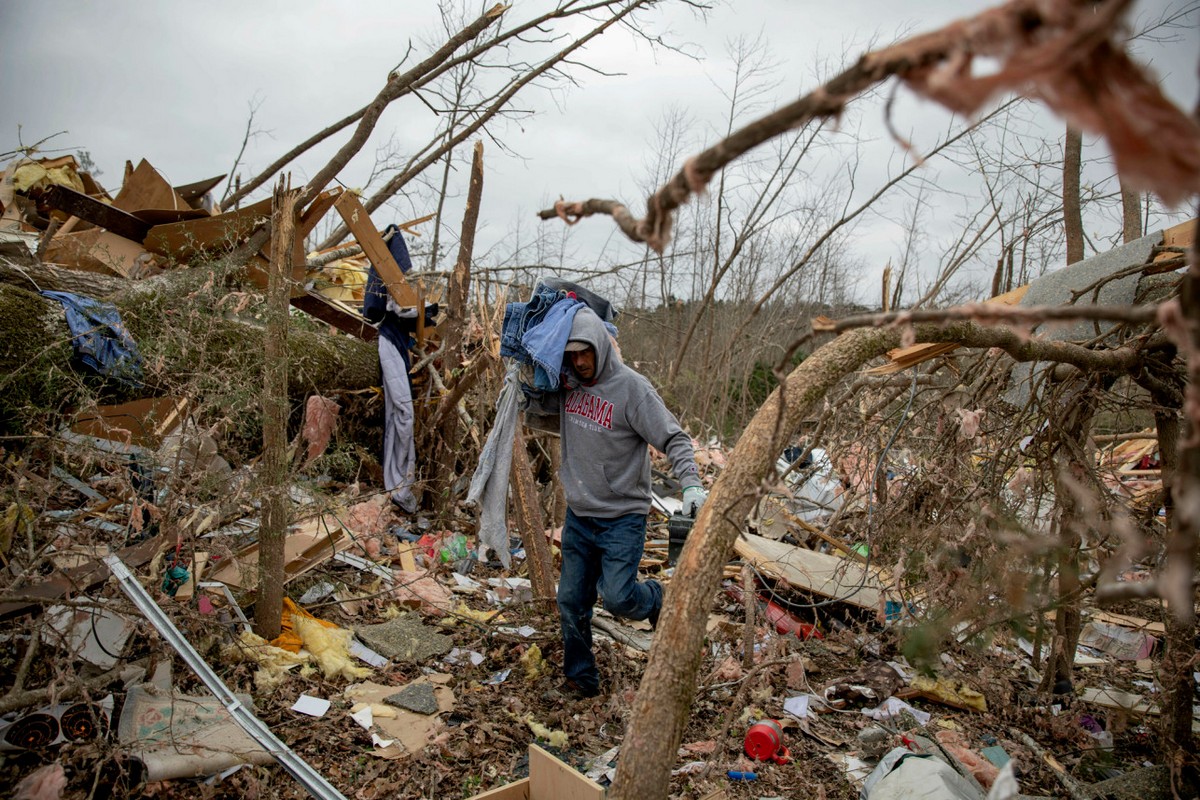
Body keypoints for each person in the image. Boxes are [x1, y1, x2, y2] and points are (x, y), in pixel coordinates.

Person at [539, 306, 707, 698]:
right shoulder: (564, 382)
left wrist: (692, 485)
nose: (579, 362)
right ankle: (581, 679)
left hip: (622, 517)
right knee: (570, 600)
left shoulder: (633, 389)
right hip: (580, 514)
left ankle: (656, 599)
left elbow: (675, 438)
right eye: (572, 354)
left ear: (600, 346)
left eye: (586, 352)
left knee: (617, 597)